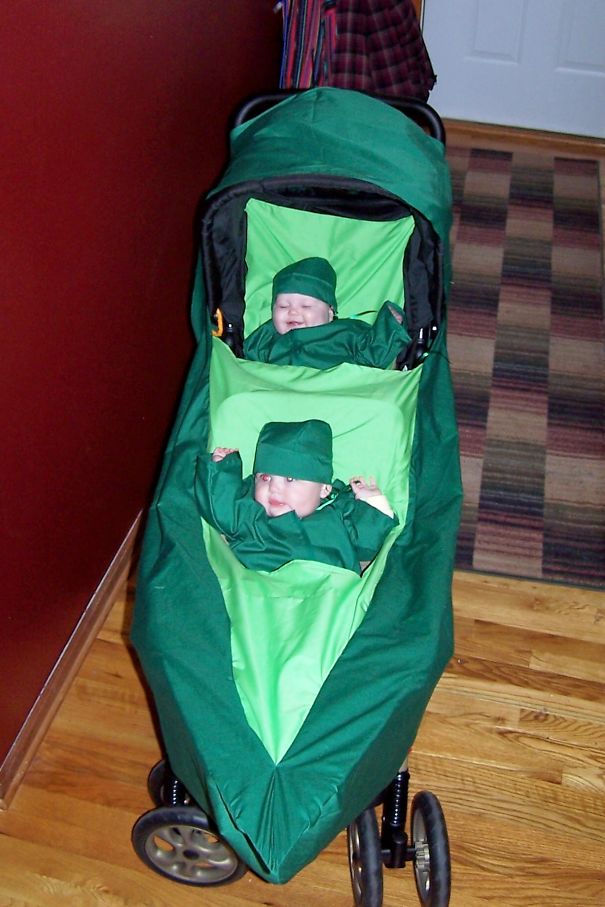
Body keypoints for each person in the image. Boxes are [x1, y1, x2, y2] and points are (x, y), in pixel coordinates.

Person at [195, 419, 397, 574]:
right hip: (260, 586)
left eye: (291, 479)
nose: (274, 488)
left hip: (326, 593)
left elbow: (371, 544)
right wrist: (221, 469)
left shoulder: (339, 511)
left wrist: (373, 502)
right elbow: (219, 508)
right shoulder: (249, 511)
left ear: (324, 489)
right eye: (265, 477)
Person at [243, 256, 412, 369]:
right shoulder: (266, 336)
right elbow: (247, 366)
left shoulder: (348, 331)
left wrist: (390, 323)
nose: (293, 311)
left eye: (306, 306)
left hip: (336, 394)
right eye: (283, 306)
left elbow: (374, 356)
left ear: (330, 314)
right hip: (280, 393)